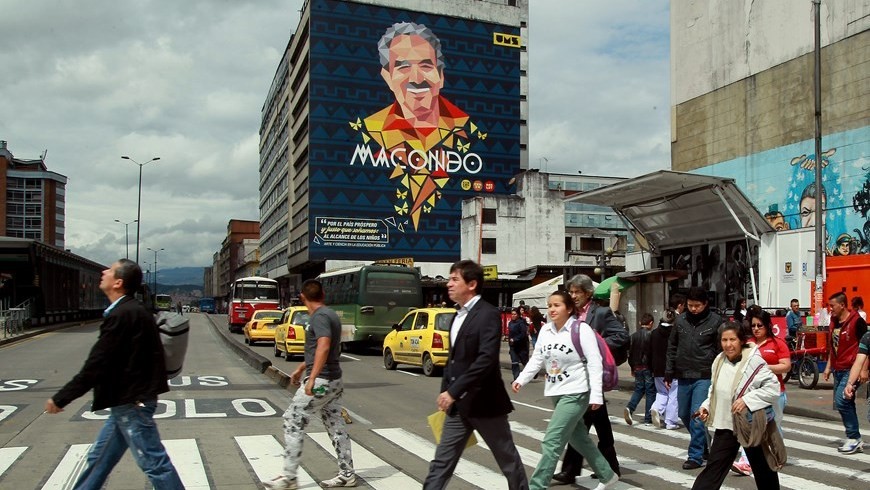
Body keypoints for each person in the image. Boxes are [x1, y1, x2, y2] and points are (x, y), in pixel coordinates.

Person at [44, 259, 183, 490]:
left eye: (109, 270)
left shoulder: (123, 315)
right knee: (99, 460)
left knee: (154, 463)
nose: (103, 272)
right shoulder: (132, 311)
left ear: (118, 282)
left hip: (132, 403)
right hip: (127, 402)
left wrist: (61, 398)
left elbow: (96, 365)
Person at [360, 21, 476, 231]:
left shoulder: (471, 133)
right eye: (403, 66)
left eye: (426, 66)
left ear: (440, 75)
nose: (416, 77)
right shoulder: (368, 132)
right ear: (388, 77)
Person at [423, 260, 528, 490]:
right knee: (441, 463)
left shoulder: (488, 314)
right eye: (449, 279)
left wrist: (453, 391)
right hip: (457, 407)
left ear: (471, 284)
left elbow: (485, 360)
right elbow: (453, 360)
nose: (449, 284)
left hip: (485, 404)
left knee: (508, 460)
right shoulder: (456, 315)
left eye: (454, 279)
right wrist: (446, 392)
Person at [512, 291, 618, 490]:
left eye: (557, 305)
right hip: (556, 391)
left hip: (577, 392)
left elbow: (595, 362)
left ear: (569, 309)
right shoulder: (546, 330)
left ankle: (537, 486)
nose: (551, 309)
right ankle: (607, 475)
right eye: (549, 305)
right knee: (579, 438)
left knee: (551, 441)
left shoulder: (581, 329)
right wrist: (521, 379)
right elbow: (537, 358)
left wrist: (596, 395)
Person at [264, 279, 355, 489]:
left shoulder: (319, 317)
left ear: (302, 297)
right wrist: (302, 367)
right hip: (334, 379)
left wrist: (312, 377)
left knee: (292, 419)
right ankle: (347, 474)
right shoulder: (331, 315)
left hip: (322, 381)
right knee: (335, 425)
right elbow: (324, 349)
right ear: (323, 294)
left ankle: (289, 477)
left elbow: (324, 345)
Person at [553, 274, 628, 484]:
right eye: (571, 292)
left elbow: (621, 336)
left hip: (593, 377)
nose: (573, 296)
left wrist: (596, 344)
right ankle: (608, 467)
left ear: (588, 293)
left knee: (581, 424)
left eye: (577, 292)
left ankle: (572, 470)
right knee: (593, 424)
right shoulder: (569, 315)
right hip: (575, 377)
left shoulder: (601, 313)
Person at [691, 322, 782, 490]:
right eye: (724, 340)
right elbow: (715, 390)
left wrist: (747, 400)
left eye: (732, 339)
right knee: (713, 469)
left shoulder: (754, 361)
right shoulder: (719, 360)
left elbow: (773, 388)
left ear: (741, 340)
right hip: (727, 425)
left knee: (763, 468)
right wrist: (706, 407)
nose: (728, 344)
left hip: (749, 424)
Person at [666, 286, 722, 470]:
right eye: (690, 305)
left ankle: (695, 456)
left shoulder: (715, 321)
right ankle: (704, 442)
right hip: (683, 374)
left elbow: (720, 350)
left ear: (705, 304)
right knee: (683, 413)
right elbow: (672, 346)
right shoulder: (680, 320)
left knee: (697, 416)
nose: (693, 309)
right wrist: (669, 372)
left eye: (697, 305)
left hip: (704, 375)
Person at [732, 310, 792, 476]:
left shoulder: (778, 343)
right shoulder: (748, 344)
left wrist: (762, 368)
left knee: (773, 426)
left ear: (767, 326)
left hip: (774, 393)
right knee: (752, 426)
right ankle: (747, 461)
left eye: (760, 325)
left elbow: (786, 366)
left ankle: (777, 455)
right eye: (753, 326)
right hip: (751, 394)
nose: (756, 329)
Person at [822, 292, 868, 455]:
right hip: (838, 368)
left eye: (832, 306)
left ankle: (854, 437)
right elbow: (833, 347)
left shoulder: (857, 322)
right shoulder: (834, 322)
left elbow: (866, 346)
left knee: (842, 401)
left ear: (842, 305)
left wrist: (864, 369)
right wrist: (828, 367)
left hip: (852, 368)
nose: (830, 309)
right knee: (846, 402)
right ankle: (854, 437)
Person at [649, 308, 681, 430]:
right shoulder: (676, 333)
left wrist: (651, 367)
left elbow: (649, 351)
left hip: (657, 368)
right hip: (672, 368)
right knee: (673, 395)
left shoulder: (654, 333)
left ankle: (656, 408)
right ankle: (671, 422)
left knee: (661, 392)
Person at [624, 313, 656, 425]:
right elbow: (652, 354)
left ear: (640, 323)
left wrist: (632, 367)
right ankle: (648, 418)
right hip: (648, 367)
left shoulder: (633, 336)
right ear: (651, 323)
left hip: (636, 366)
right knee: (650, 392)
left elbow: (630, 354)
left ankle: (630, 407)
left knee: (639, 389)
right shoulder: (651, 335)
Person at [508, 308, 530, 380]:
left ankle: (533, 372)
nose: (513, 316)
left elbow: (523, 334)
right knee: (514, 362)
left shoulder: (521, 323)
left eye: (515, 314)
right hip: (513, 346)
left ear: (518, 315)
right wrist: (510, 342)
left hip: (521, 346)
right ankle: (516, 379)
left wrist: (515, 339)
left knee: (524, 361)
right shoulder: (510, 323)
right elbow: (510, 334)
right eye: (512, 314)